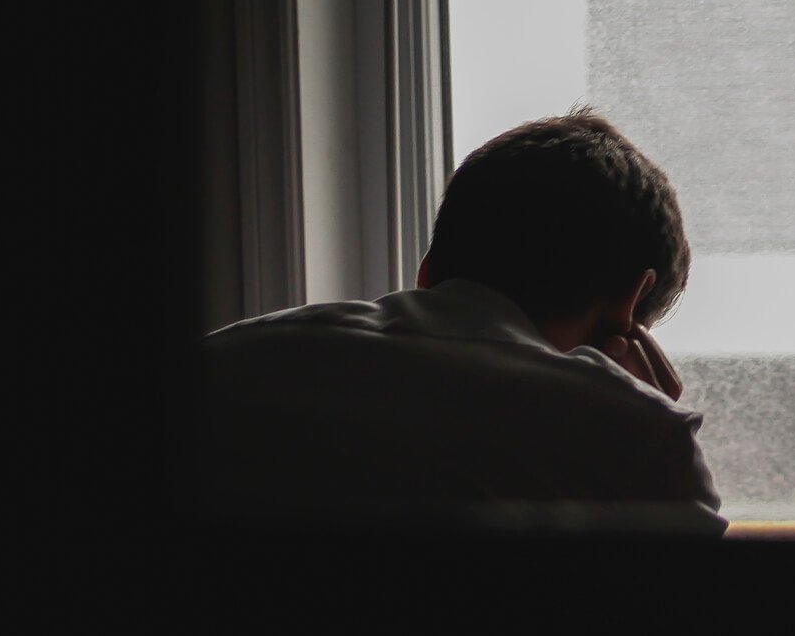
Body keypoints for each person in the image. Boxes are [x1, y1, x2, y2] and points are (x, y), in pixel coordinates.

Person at [187, 108, 723, 535]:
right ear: (630, 305)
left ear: (428, 272)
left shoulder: (213, 367)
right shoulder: (633, 442)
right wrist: (643, 414)